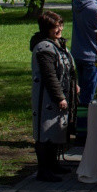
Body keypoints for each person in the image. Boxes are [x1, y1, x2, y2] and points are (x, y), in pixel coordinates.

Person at [30, 11, 78, 182]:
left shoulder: (57, 44)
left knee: (57, 130)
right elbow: (49, 75)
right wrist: (59, 97)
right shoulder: (44, 48)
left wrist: (74, 86)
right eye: (55, 26)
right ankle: (44, 169)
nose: (59, 29)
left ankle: (53, 164)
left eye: (60, 25)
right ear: (46, 28)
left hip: (59, 95)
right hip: (47, 99)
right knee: (45, 132)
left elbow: (67, 68)